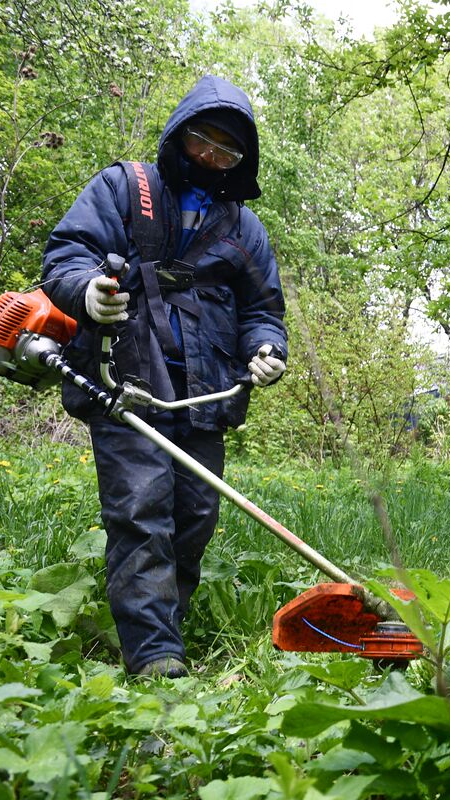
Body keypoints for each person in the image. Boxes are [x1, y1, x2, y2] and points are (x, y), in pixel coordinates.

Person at [42, 76, 288, 678]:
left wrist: (266, 348)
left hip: (206, 393)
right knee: (141, 509)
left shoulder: (242, 229)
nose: (211, 158)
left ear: (241, 161)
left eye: (228, 152)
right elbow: (66, 258)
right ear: (182, 133)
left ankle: (161, 618)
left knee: (194, 515)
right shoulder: (125, 188)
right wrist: (85, 293)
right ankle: (154, 655)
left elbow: (263, 309)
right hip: (123, 380)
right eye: (204, 141)